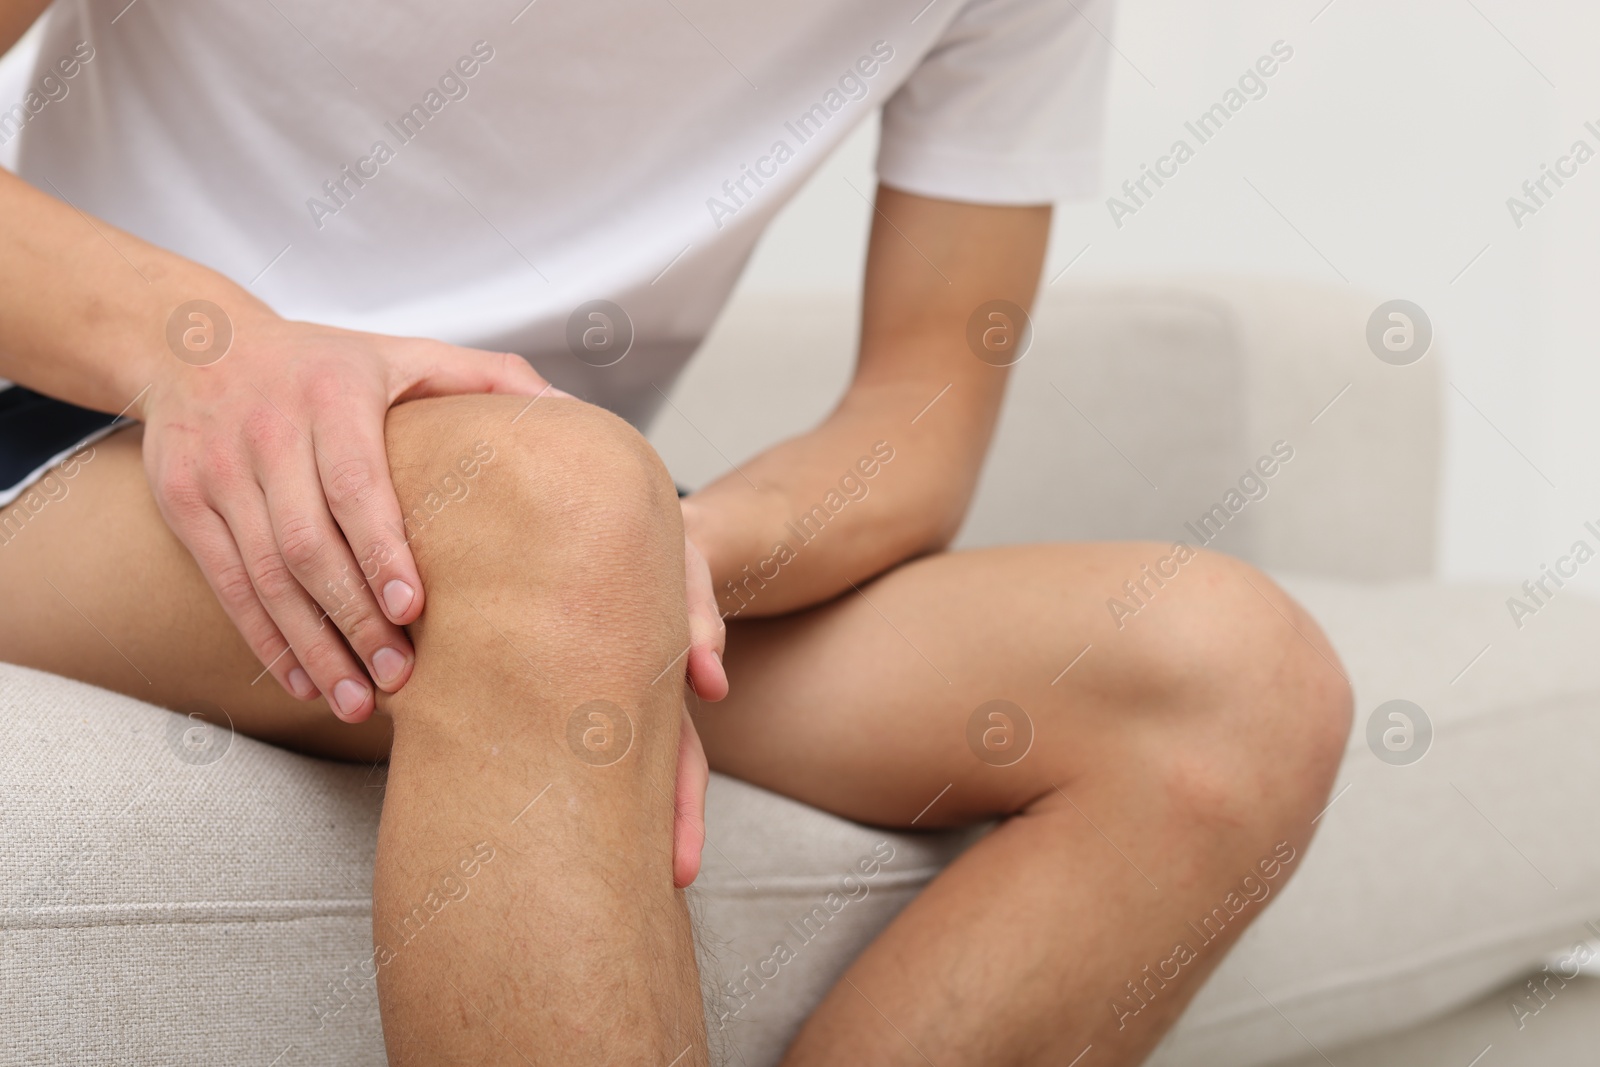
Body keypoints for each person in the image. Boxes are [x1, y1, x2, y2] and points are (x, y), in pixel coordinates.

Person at [0, 1, 1351, 1063]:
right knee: (556, 507)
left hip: (539, 510)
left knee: (1232, 690)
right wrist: (206, 344)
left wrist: (658, 565)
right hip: (72, 434)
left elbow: (918, 419)